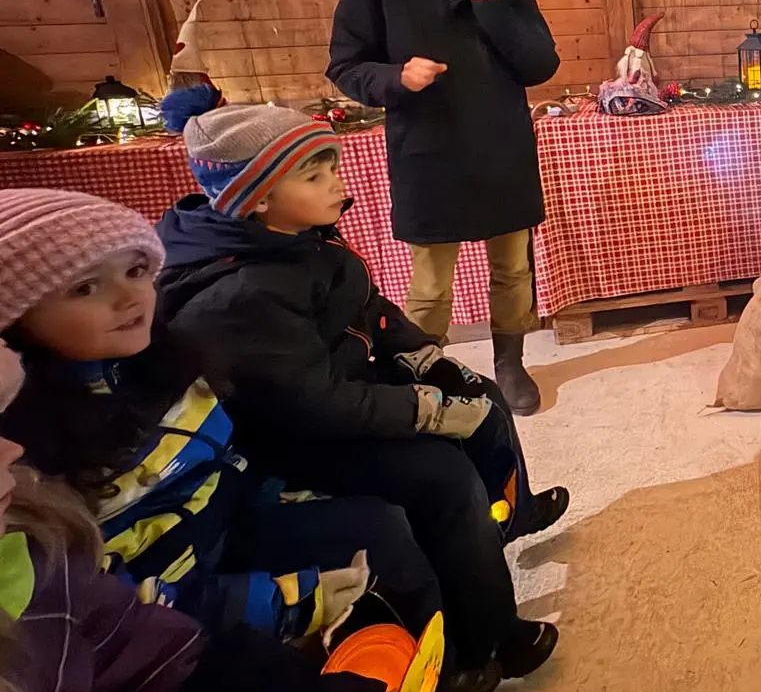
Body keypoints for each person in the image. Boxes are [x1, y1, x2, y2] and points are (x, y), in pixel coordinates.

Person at [153, 94, 568, 692]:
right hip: (289, 437)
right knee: (439, 473)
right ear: (256, 196)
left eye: (334, 170)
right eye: (316, 176)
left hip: (343, 390)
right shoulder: (237, 293)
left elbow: (369, 305)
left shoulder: (300, 238)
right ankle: (478, 643)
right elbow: (309, 403)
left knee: (480, 396)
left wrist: (426, 358)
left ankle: (509, 510)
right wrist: (423, 412)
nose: (338, 188)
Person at [0, 188, 444, 659]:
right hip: (166, 600)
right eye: (85, 287)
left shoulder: (167, 358)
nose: (129, 297)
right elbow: (106, 599)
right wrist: (277, 604)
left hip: (222, 529)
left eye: (135, 271)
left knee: (382, 524)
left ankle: (438, 664)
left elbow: (224, 458)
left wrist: (278, 496)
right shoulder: (25, 449)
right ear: (16, 314)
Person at [0, 340, 443, 692]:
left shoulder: (31, 546)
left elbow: (145, 645)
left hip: (210, 572)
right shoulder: (50, 461)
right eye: (84, 288)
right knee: (422, 489)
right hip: (199, 585)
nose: (10, 451)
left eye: (140, 272)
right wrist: (286, 603)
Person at [327, 0, 560, 415]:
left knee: (513, 270)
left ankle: (509, 364)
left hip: (501, 152)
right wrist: (395, 79)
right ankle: (424, 373)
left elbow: (540, 64)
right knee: (431, 285)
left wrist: (493, 6)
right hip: (428, 154)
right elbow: (344, 65)